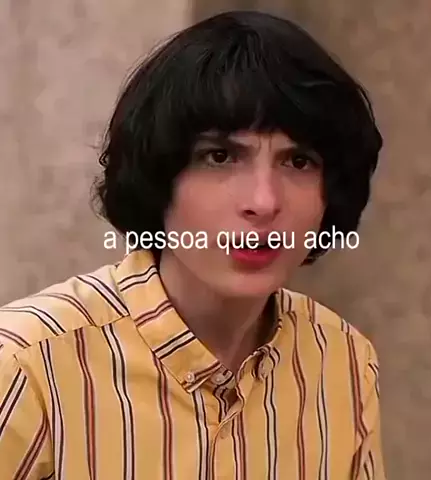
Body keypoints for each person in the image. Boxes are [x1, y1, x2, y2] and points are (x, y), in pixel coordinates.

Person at [0, 10, 386, 480]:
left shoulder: (343, 361)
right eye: (220, 156)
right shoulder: (26, 365)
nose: (264, 202)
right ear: (158, 179)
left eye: (299, 162)